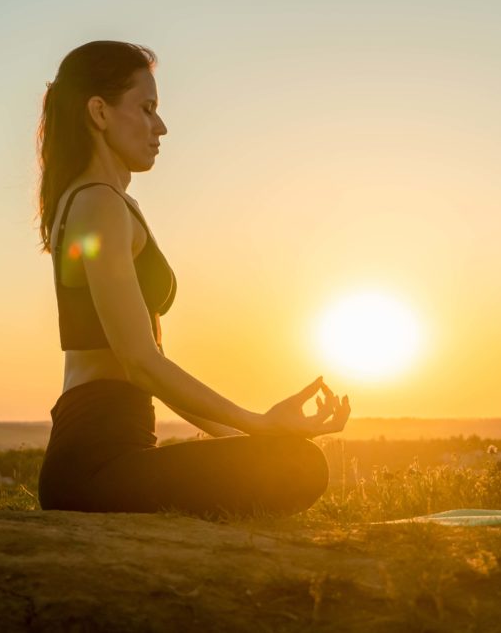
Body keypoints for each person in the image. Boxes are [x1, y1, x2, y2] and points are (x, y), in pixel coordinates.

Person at [35, 41, 351, 518]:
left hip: (110, 454)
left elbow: (152, 363)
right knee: (301, 465)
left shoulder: (104, 205)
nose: (160, 127)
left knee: (289, 460)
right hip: (94, 465)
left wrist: (249, 434)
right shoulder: (97, 205)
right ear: (99, 112)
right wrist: (258, 426)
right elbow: (139, 362)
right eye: (146, 109)